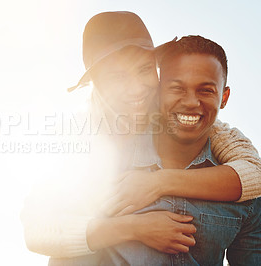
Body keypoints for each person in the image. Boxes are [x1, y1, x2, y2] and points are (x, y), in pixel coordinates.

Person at [21, 11, 261, 261]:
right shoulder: (82, 137)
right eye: (117, 77)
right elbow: (37, 230)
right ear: (97, 83)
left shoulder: (186, 118)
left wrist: (156, 182)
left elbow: (253, 172)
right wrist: (132, 228)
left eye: (144, 70)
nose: (136, 88)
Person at [99, 35, 261, 265]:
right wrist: (131, 228)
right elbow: (67, 241)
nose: (191, 102)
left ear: (224, 97)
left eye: (205, 90)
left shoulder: (243, 191)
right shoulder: (109, 160)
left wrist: (157, 182)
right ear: (158, 91)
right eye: (177, 88)